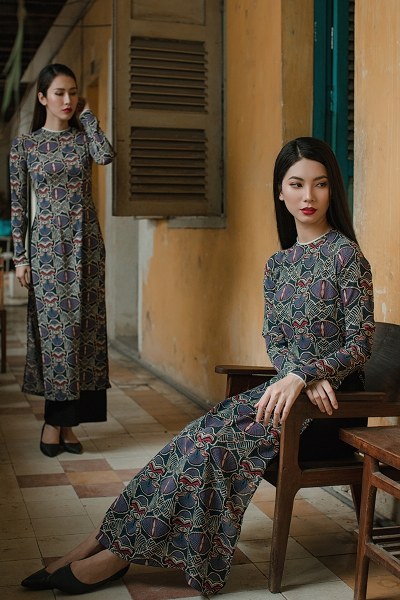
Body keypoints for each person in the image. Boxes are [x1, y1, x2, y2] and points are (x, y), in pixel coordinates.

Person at [20, 137, 374, 595]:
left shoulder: (346, 256)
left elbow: (361, 343)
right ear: (280, 191)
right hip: (283, 399)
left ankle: (114, 557)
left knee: (210, 449)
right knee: (188, 442)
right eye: (297, 184)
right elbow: (276, 341)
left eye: (320, 184)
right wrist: (294, 375)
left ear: (332, 190)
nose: (309, 196)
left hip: (326, 410)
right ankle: (97, 540)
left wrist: (307, 375)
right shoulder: (278, 265)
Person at [10, 63, 114, 457]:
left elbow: (105, 155)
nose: (67, 99)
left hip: (87, 247)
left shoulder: (83, 139)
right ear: (42, 98)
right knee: (57, 337)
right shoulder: (26, 145)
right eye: (59, 93)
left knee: (84, 334)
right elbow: (19, 206)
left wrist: (88, 116)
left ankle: (68, 425)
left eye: (72, 92)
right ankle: (53, 423)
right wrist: (21, 258)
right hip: (47, 250)